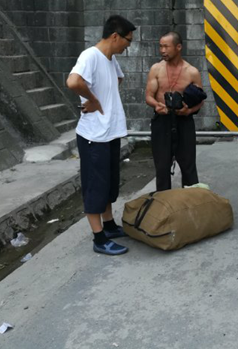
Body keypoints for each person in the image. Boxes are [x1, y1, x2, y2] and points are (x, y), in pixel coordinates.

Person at [66, 15, 136, 256]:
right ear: (115, 36)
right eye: (127, 40)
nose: (128, 46)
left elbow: (118, 78)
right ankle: (99, 238)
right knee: (95, 186)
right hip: (93, 136)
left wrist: (104, 97)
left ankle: (109, 225)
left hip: (110, 132)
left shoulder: (110, 59)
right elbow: (73, 81)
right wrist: (93, 100)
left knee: (108, 183)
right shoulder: (90, 56)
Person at [145, 31, 205, 192]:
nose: (162, 50)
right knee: (162, 168)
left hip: (184, 122)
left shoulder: (191, 72)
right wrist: (157, 105)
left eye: (166, 47)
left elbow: (200, 100)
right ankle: (164, 204)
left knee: (188, 167)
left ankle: (191, 203)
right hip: (162, 121)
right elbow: (149, 96)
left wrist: (188, 110)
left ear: (178, 47)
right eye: (160, 46)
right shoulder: (156, 69)